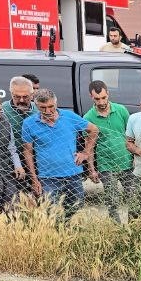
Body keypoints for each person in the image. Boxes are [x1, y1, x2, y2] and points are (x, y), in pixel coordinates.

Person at [21, 88, 98, 218]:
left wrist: (85, 153)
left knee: (76, 207)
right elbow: (27, 152)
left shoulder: (69, 116)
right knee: (51, 213)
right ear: (36, 105)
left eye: (51, 106)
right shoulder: (29, 123)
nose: (47, 111)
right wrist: (34, 179)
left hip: (73, 174)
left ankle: (70, 232)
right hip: (48, 177)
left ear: (56, 103)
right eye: (43, 107)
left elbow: (94, 130)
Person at [83, 81, 134, 221]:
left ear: (108, 94)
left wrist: (136, 158)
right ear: (91, 97)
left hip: (127, 163)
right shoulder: (88, 118)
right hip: (106, 165)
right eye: (97, 99)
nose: (101, 102)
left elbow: (131, 137)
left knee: (134, 198)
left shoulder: (121, 110)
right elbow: (89, 147)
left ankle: (134, 226)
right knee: (112, 202)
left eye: (104, 97)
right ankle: (117, 230)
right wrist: (91, 169)